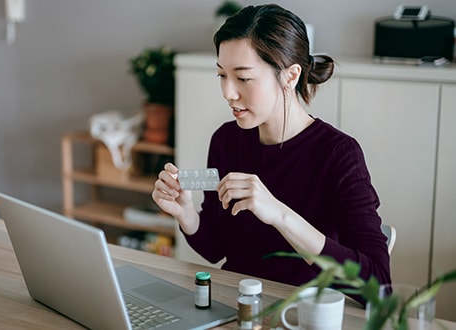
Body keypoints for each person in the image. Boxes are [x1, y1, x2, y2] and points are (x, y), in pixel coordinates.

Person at [151, 4, 391, 302]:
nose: (228, 92)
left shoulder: (339, 154)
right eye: (222, 75)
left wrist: (278, 213)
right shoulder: (226, 140)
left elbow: (378, 287)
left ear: (290, 76)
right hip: (236, 305)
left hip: (301, 314)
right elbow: (215, 250)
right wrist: (185, 212)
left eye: (243, 78)